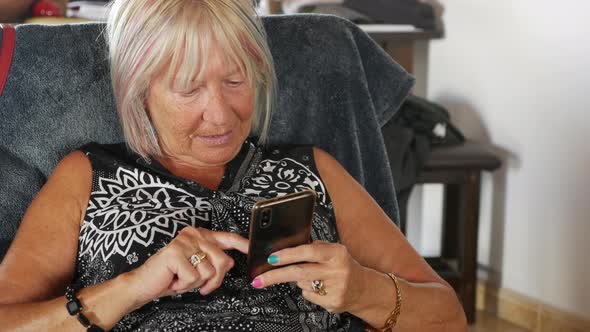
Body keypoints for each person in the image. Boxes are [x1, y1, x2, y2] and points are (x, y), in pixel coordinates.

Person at [0, 0, 467, 331]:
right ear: (138, 90)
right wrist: (133, 288)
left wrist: (363, 290)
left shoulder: (314, 169)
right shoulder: (86, 176)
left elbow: (448, 317)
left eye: (235, 79)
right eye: (188, 89)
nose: (221, 115)